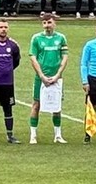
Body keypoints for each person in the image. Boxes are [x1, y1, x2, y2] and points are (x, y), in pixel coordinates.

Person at [29, 14, 69, 144]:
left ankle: (58, 135)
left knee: (57, 106)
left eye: (49, 22)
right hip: (40, 78)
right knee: (36, 104)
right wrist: (41, 75)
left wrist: (57, 75)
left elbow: (64, 57)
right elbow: (33, 58)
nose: (47, 25)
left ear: (54, 23)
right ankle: (33, 135)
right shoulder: (36, 38)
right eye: (45, 23)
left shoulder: (61, 38)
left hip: (57, 78)